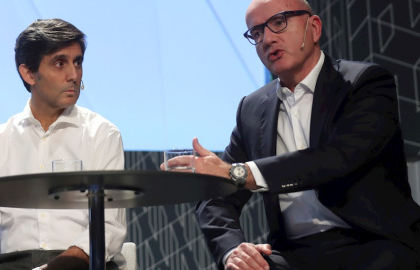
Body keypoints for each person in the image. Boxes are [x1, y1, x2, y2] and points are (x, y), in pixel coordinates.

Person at [166, 0, 420, 269]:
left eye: (279, 23)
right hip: (293, 254)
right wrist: (232, 250)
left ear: (314, 28)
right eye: (257, 33)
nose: (267, 39)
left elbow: (338, 158)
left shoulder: (363, 83)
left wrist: (238, 173)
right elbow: (216, 197)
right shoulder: (251, 109)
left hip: (372, 242)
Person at [0, 19, 126, 270]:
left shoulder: (102, 134)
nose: (74, 75)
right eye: (60, 63)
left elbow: (108, 228)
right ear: (29, 73)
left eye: (78, 62)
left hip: (81, 265)